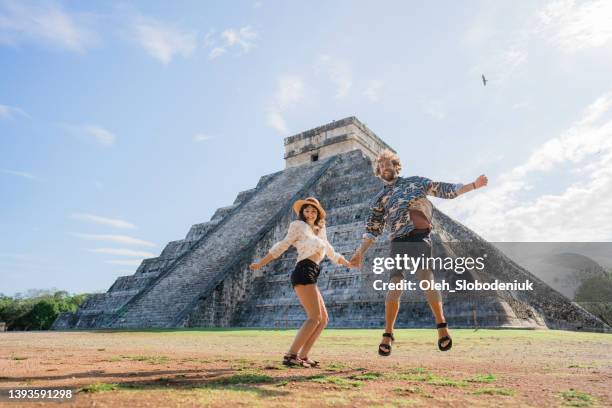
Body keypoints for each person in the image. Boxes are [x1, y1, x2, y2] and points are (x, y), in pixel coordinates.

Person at [349, 149, 488, 356]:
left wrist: (473, 185)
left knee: (426, 279)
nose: (385, 166)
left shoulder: (414, 182)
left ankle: (442, 327)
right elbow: (373, 229)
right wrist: (360, 252)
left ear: (397, 167)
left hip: (419, 235)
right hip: (398, 241)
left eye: (390, 163)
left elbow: (443, 189)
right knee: (395, 284)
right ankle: (388, 334)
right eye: (382, 164)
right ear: (378, 170)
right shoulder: (379, 199)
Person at [250, 197, 350, 367]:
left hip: (313, 271)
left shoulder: (320, 229)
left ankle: (303, 356)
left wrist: (348, 263)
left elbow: (330, 251)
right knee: (314, 317)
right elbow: (283, 245)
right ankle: (291, 355)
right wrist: (261, 263)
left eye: (313, 211)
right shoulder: (298, 226)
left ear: (318, 213)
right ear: (302, 212)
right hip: (303, 270)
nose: (310, 213)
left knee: (323, 319)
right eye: (307, 210)